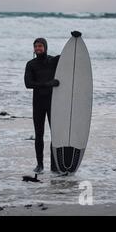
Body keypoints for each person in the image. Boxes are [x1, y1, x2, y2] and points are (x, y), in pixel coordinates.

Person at [24, 31, 82, 174]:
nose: (38, 49)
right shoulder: (31, 64)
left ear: (45, 47)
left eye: (40, 46)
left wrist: (75, 40)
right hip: (38, 103)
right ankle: (40, 165)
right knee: (39, 134)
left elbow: (70, 56)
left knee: (55, 134)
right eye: (36, 46)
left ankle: (54, 165)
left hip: (53, 103)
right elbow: (28, 84)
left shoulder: (53, 61)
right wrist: (48, 84)